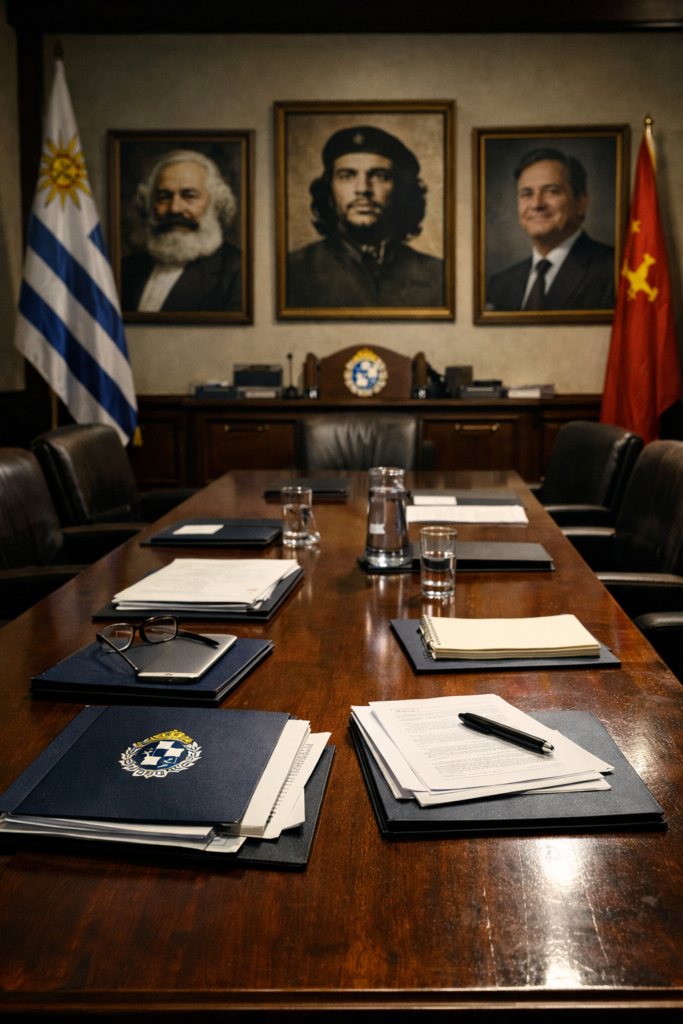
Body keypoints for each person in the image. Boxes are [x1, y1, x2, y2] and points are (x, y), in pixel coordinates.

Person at [286, 126, 444, 308]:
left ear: (402, 192)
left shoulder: (438, 275)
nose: (363, 188)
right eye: (346, 176)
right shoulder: (292, 272)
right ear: (329, 194)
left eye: (379, 176)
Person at [486, 147, 615, 312]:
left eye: (552, 191)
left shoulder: (613, 271)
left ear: (580, 203)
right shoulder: (500, 285)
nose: (537, 204)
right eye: (527, 194)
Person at [121, 150, 242, 313]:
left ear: (216, 203)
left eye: (189, 196)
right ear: (149, 205)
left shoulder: (237, 270)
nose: (175, 208)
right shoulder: (126, 269)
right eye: (164, 197)